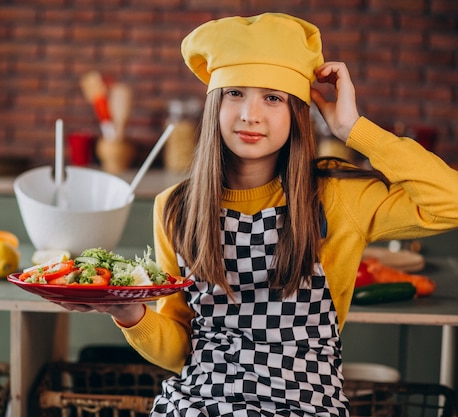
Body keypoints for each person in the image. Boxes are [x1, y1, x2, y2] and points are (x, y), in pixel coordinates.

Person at [57, 12, 458, 416]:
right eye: (235, 94)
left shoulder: (338, 198)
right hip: (200, 402)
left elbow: (451, 202)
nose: (250, 114)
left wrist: (353, 128)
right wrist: (130, 313)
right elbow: (181, 348)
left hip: (305, 405)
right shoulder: (176, 208)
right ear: (215, 103)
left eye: (272, 97)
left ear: (297, 113)